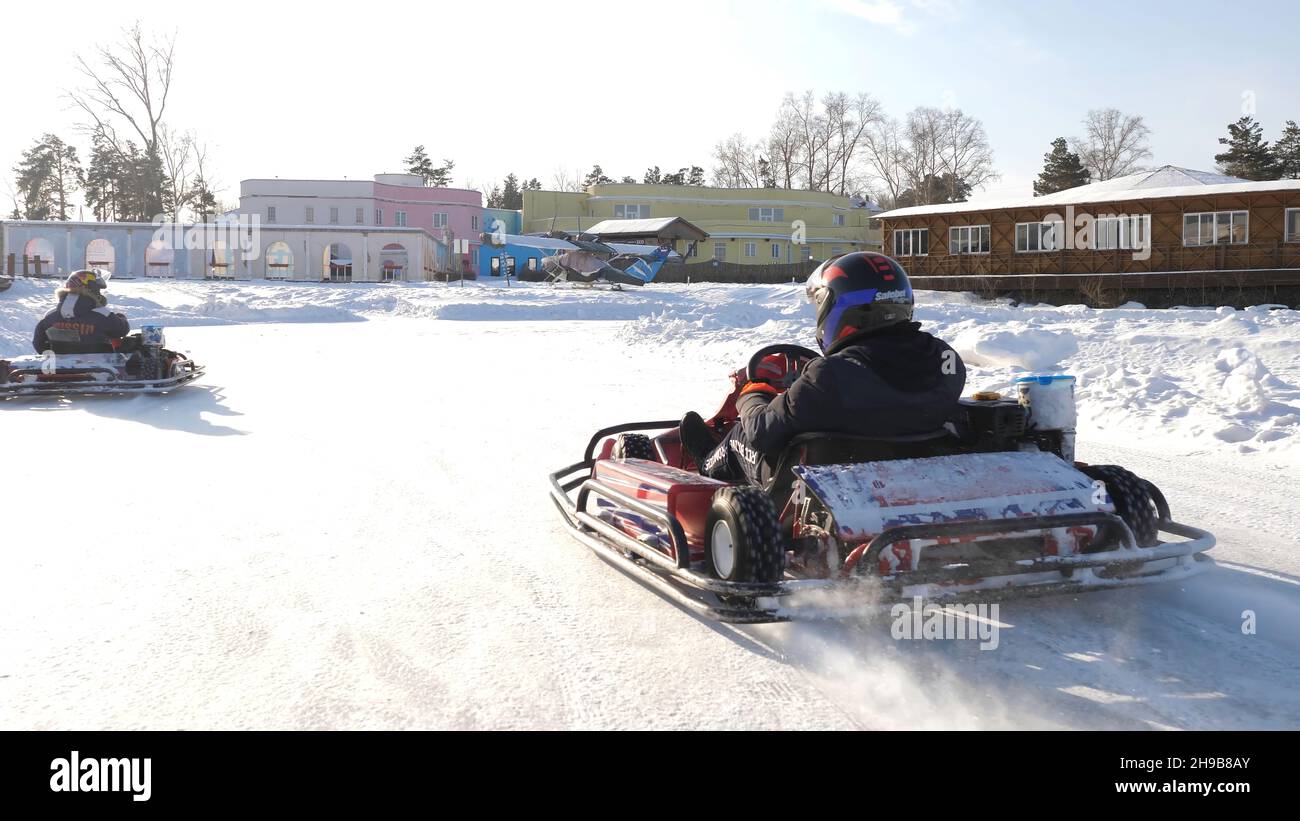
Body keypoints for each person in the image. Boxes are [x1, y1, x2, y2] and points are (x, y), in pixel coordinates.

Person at [679, 251, 967, 485]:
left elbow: (761, 432)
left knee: (741, 436)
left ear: (841, 308)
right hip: (912, 472)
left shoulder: (832, 376)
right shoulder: (944, 360)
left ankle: (707, 462)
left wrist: (751, 394)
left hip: (818, 482)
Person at [32, 270, 130, 355]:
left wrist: (58, 358)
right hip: (99, 370)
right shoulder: (102, 314)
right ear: (91, 289)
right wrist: (121, 318)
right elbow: (122, 330)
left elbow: (38, 343)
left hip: (61, 369)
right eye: (98, 290)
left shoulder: (50, 315)